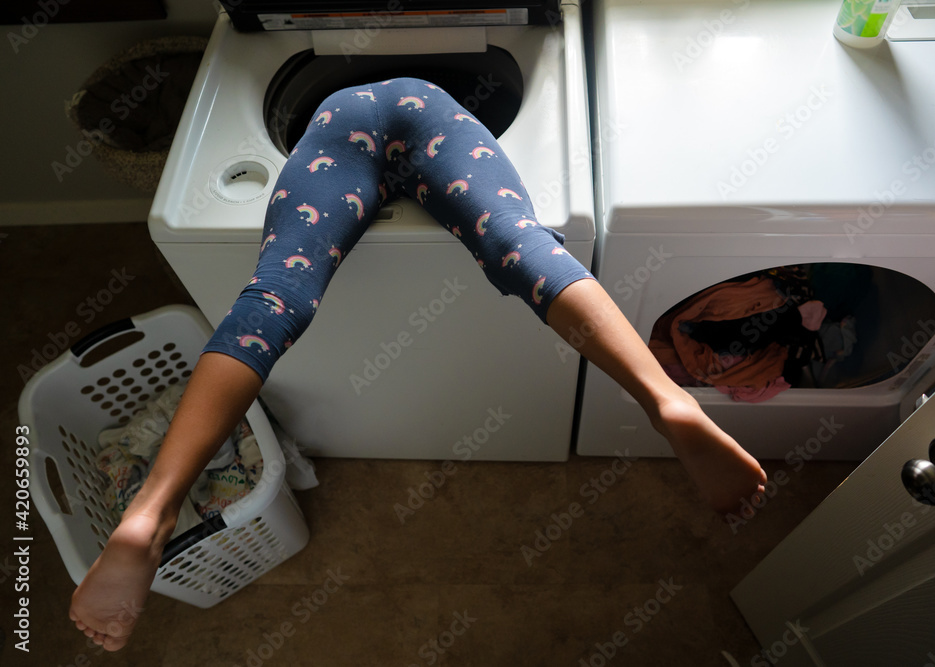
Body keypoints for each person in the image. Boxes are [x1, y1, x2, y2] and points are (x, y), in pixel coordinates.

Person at [69, 78, 767, 651]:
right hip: (434, 110)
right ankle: (662, 397)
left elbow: (281, 283)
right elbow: (511, 229)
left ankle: (151, 512)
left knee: (277, 293)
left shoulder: (322, 104)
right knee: (519, 243)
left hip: (336, 125)